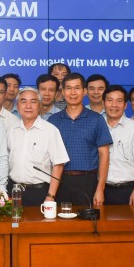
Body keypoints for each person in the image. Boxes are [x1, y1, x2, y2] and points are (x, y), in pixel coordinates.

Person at [48, 73, 112, 206]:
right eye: (68, 88)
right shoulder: (53, 120)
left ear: (84, 91)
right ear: (63, 92)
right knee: (60, 218)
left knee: (88, 219)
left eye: (77, 88)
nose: (73, 92)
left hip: (88, 181)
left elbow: (104, 155)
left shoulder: (96, 119)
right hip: (59, 181)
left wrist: (100, 188)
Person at [8, 87, 69, 206]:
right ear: (17, 106)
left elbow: (58, 164)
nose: (28, 106)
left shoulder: (50, 130)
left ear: (40, 105)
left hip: (39, 192)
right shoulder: (11, 129)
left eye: (33, 101)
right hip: (14, 190)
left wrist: (50, 196)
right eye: (23, 101)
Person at [103, 86, 134, 205]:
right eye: (110, 100)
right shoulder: (97, 125)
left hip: (128, 189)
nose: (114, 105)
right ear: (104, 103)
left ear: (125, 105)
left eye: (119, 101)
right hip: (101, 188)